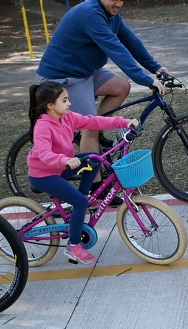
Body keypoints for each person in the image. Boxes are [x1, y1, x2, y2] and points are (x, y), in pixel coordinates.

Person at [36, 0, 169, 155]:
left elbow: (131, 42)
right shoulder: (91, 14)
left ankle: (93, 132)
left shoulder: (112, 15)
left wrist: (156, 67)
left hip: (85, 71)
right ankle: (93, 170)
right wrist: (146, 79)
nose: (118, 4)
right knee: (90, 127)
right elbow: (116, 50)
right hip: (63, 77)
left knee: (121, 87)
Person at [25, 81, 137, 265]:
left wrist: (124, 122)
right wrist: (65, 160)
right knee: (79, 202)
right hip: (44, 174)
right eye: (64, 100)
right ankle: (74, 246)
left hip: (61, 167)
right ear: (50, 106)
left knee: (94, 158)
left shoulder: (67, 117)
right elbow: (44, 154)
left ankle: (86, 195)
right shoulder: (42, 126)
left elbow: (94, 121)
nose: (69, 103)